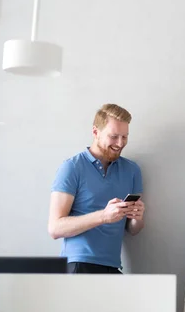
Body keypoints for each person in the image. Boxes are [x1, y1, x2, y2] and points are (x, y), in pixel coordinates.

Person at [47, 103, 145, 274]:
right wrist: (103, 216)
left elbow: (132, 229)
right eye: (114, 136)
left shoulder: (132, 171)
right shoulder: (72, 167)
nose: (120, 143)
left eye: (125, 137)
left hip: (113, 266)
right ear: (95, 132)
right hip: (78, 264)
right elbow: (55, 228)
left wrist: (137, 218)